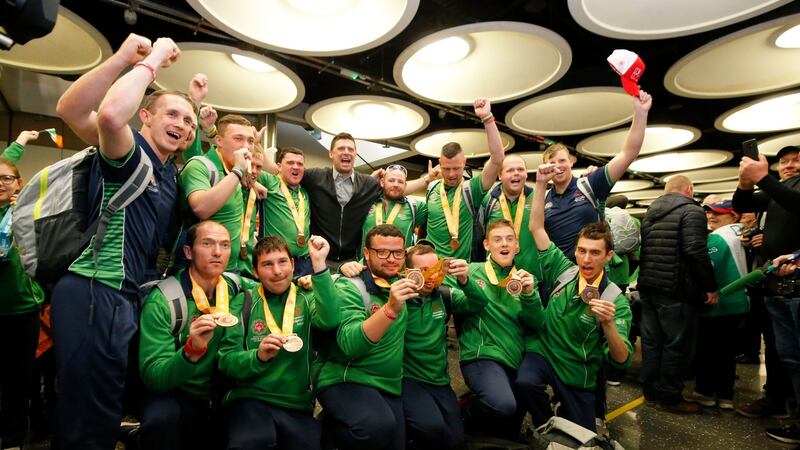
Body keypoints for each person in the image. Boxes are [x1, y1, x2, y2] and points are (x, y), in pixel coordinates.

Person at [52, 34, 194, 449]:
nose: (182, 125)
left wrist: (195, 112)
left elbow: (72, 110)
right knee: (89, 416)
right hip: (96, 289)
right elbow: (102, 114)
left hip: (124, 295)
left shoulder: (168, 173)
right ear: (145, 116)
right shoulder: (128, 151)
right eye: (172, 114)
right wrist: (140, 60)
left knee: (102, 406)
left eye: (188, 121)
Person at [515, 163, 632, 432]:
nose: (587, 259)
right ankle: (545, 424)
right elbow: (536, 229)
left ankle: (570, 417)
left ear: (608, 256)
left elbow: (622, 359)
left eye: (595, 253)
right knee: (525, 382)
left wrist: (609, 325)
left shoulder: (615, 299)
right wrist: (541, 184)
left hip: (577, 371)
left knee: (583, 435)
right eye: (582, 251)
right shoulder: (564, 270)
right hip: (544, 352)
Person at [219, 234, 338, 450]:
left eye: (282, 262)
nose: (277, 271)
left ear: (293, 264)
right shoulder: (244, 300)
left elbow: (330, 320)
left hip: (296, 403)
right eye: (267, 264)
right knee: (253, 441)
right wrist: (257, 356)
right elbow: (226, 361)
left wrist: (319, 266)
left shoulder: (307, 295)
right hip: (249, 398)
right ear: (255, 271)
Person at [137, 221, 240, 450]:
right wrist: (191, 351)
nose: (217, 252)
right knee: (161, 422)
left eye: (225, 245)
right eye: (207, 244)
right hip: (177, 394)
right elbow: (153, 376)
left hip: (220, 394)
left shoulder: (235, 287)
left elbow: (276, 281)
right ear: (188, 252)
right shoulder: (164, 301)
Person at [315, 224, 417, 449]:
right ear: (367, 253)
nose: (391, 259)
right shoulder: (351, 286)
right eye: (382, 252)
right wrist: (389, 309)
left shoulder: (401, 280)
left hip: (388, 384)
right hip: (347, 377)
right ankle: (320, 436)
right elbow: (350, 344)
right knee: (376, 429)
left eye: (398, 253)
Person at [732, 145, 800, 443]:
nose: (789, 165)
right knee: (784, 353)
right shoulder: (778, 191)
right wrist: (746, 182)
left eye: (797, 161)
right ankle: (785, 403)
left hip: (797, 285)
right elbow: (741, 202)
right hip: (776, 284)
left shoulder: (786, 190)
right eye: (783, 161)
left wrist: (764, 178)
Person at [638, 175, 717, 414]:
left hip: (649, 287)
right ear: (690, 189)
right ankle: (670, 397)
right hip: (677, 290)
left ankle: (651, 392)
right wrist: (709, 287)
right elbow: (694, 249)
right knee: (677, 345)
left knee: (652, 344)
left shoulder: (650, 214)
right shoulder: (691, 212)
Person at [542, 90, 652, 260]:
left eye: (562, 160)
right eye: (552, 163)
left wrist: (641, 113)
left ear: (571, 162)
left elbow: (628, 153)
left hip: (592, 274)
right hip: (558, 277)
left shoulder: (590, 184)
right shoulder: (543, 199)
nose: (558, 166)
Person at [301, 133, 432, 271]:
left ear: (355, 154)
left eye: (350, 149)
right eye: (341, 148)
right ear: (331, 153)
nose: (346, 152)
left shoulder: (366, 183)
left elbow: (395, 189)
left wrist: (427, 179)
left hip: (353, 262)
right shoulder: (315, 177)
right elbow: (288, 174)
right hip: (319, 257)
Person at [458, 220, 537, 439]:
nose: (504, 244)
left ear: (517, 246)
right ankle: (461, 413)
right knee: (502, 404)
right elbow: (434, 280)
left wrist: (530, 295)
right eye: (497, 239)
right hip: (481, 354)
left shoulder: (526, 279)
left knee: (508, 430)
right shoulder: (471, 271)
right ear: (486, 245)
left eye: (509, 239)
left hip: (513, 357)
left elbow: (536, 323)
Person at [0, 132, 46, 448]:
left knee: (20, 379)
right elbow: (6, 166)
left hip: (23, 309)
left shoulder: (28, 211)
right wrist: (19, 142)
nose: (1, 183)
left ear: (19, 183)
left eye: (7, 179)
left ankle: (15, 437)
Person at [682, 200, 748, 411]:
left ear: (734, 216)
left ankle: (705, 392)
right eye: (709, 213)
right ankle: (726, 396)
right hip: (738, 301)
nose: (711, 217)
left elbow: (706, 268)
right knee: (727, 352)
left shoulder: (718, 238)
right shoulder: (741, 236)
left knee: (708, 349)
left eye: (718, 214)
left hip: (719, 303)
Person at [425, 98, 505, 261]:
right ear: (439, 164)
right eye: (446, 169)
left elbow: (497, 158)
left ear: (465, 163)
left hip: (461, 272)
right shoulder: (432, 188)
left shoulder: (472, 189)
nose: (452, 174)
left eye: (457, 168)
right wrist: (425, 180)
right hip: (432, 272)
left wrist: (487, 118)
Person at [179, 114, 254, 271]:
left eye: (250, 141)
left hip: (230, 268)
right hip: (198, 269)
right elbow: (201, 208)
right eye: (238, 139)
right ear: (219, 141)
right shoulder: (199, 166)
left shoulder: (232, 170)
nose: (246, 146)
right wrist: (238, 171)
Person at [257, 146, 313, 277]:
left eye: (300, 164)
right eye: (290, 163)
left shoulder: (304, 193)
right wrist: (254, 183)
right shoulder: (270, 182)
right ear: (279, 166)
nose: (296, 167)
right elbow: (248, 171)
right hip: (276, 261)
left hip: (304, 262)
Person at [480, 154, 536, 270]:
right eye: (510, 170)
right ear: (500, 175)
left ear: (526, 173)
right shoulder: (487, 200)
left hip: (531, 275)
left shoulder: (538, 199)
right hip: (495, 276)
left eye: (520, 169)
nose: (516, 173)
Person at [360, 164, 428, 258]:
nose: (396, 184)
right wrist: (370, 180)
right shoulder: (366, 203)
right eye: (391, 180)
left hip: (399, 269)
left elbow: (438, 215)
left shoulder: (415, 207)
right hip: (366, 268)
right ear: (382, 182)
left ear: (405, 185)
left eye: (400, 182)